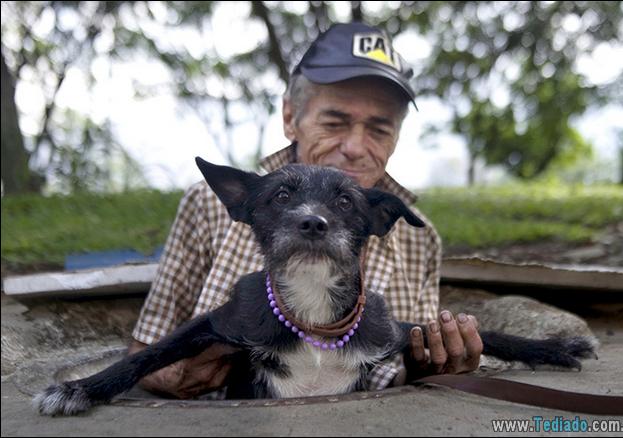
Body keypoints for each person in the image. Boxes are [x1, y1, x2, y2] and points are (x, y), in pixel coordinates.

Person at [128, 22, 483, 399]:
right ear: (289, 118)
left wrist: (432, 366)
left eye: (379, 130)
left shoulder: (419, 235)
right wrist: (178, 376)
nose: (354, 147)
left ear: (397, 136)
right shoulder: (211, 203)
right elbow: (145, 352)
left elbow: (406, 371)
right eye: (334, 123)